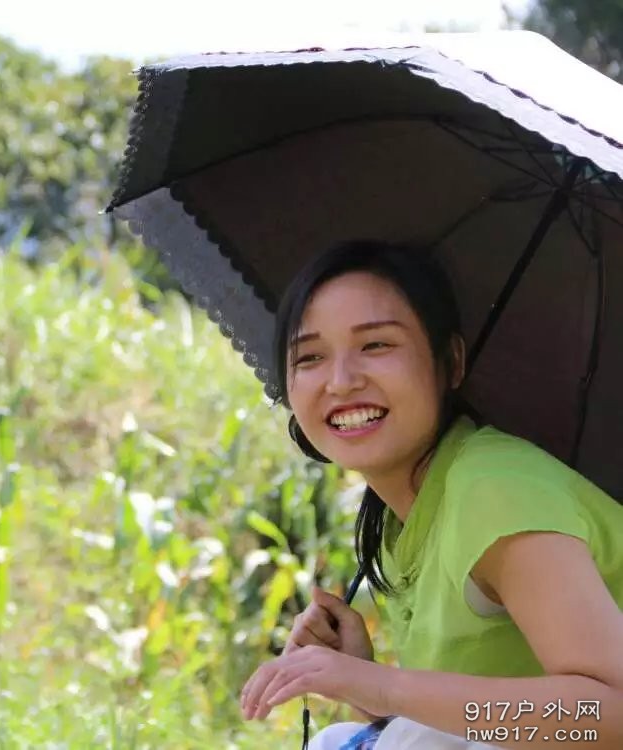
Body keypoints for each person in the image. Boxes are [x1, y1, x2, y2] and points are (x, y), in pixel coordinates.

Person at [236, 240, 623, 748]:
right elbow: (479, 717)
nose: (341, 381)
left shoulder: (496, 491)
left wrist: (388, 687)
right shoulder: (407, 513)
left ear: (451, 363)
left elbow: (609, 715)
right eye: (309, 357)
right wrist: (364, 681)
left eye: (376, 345)